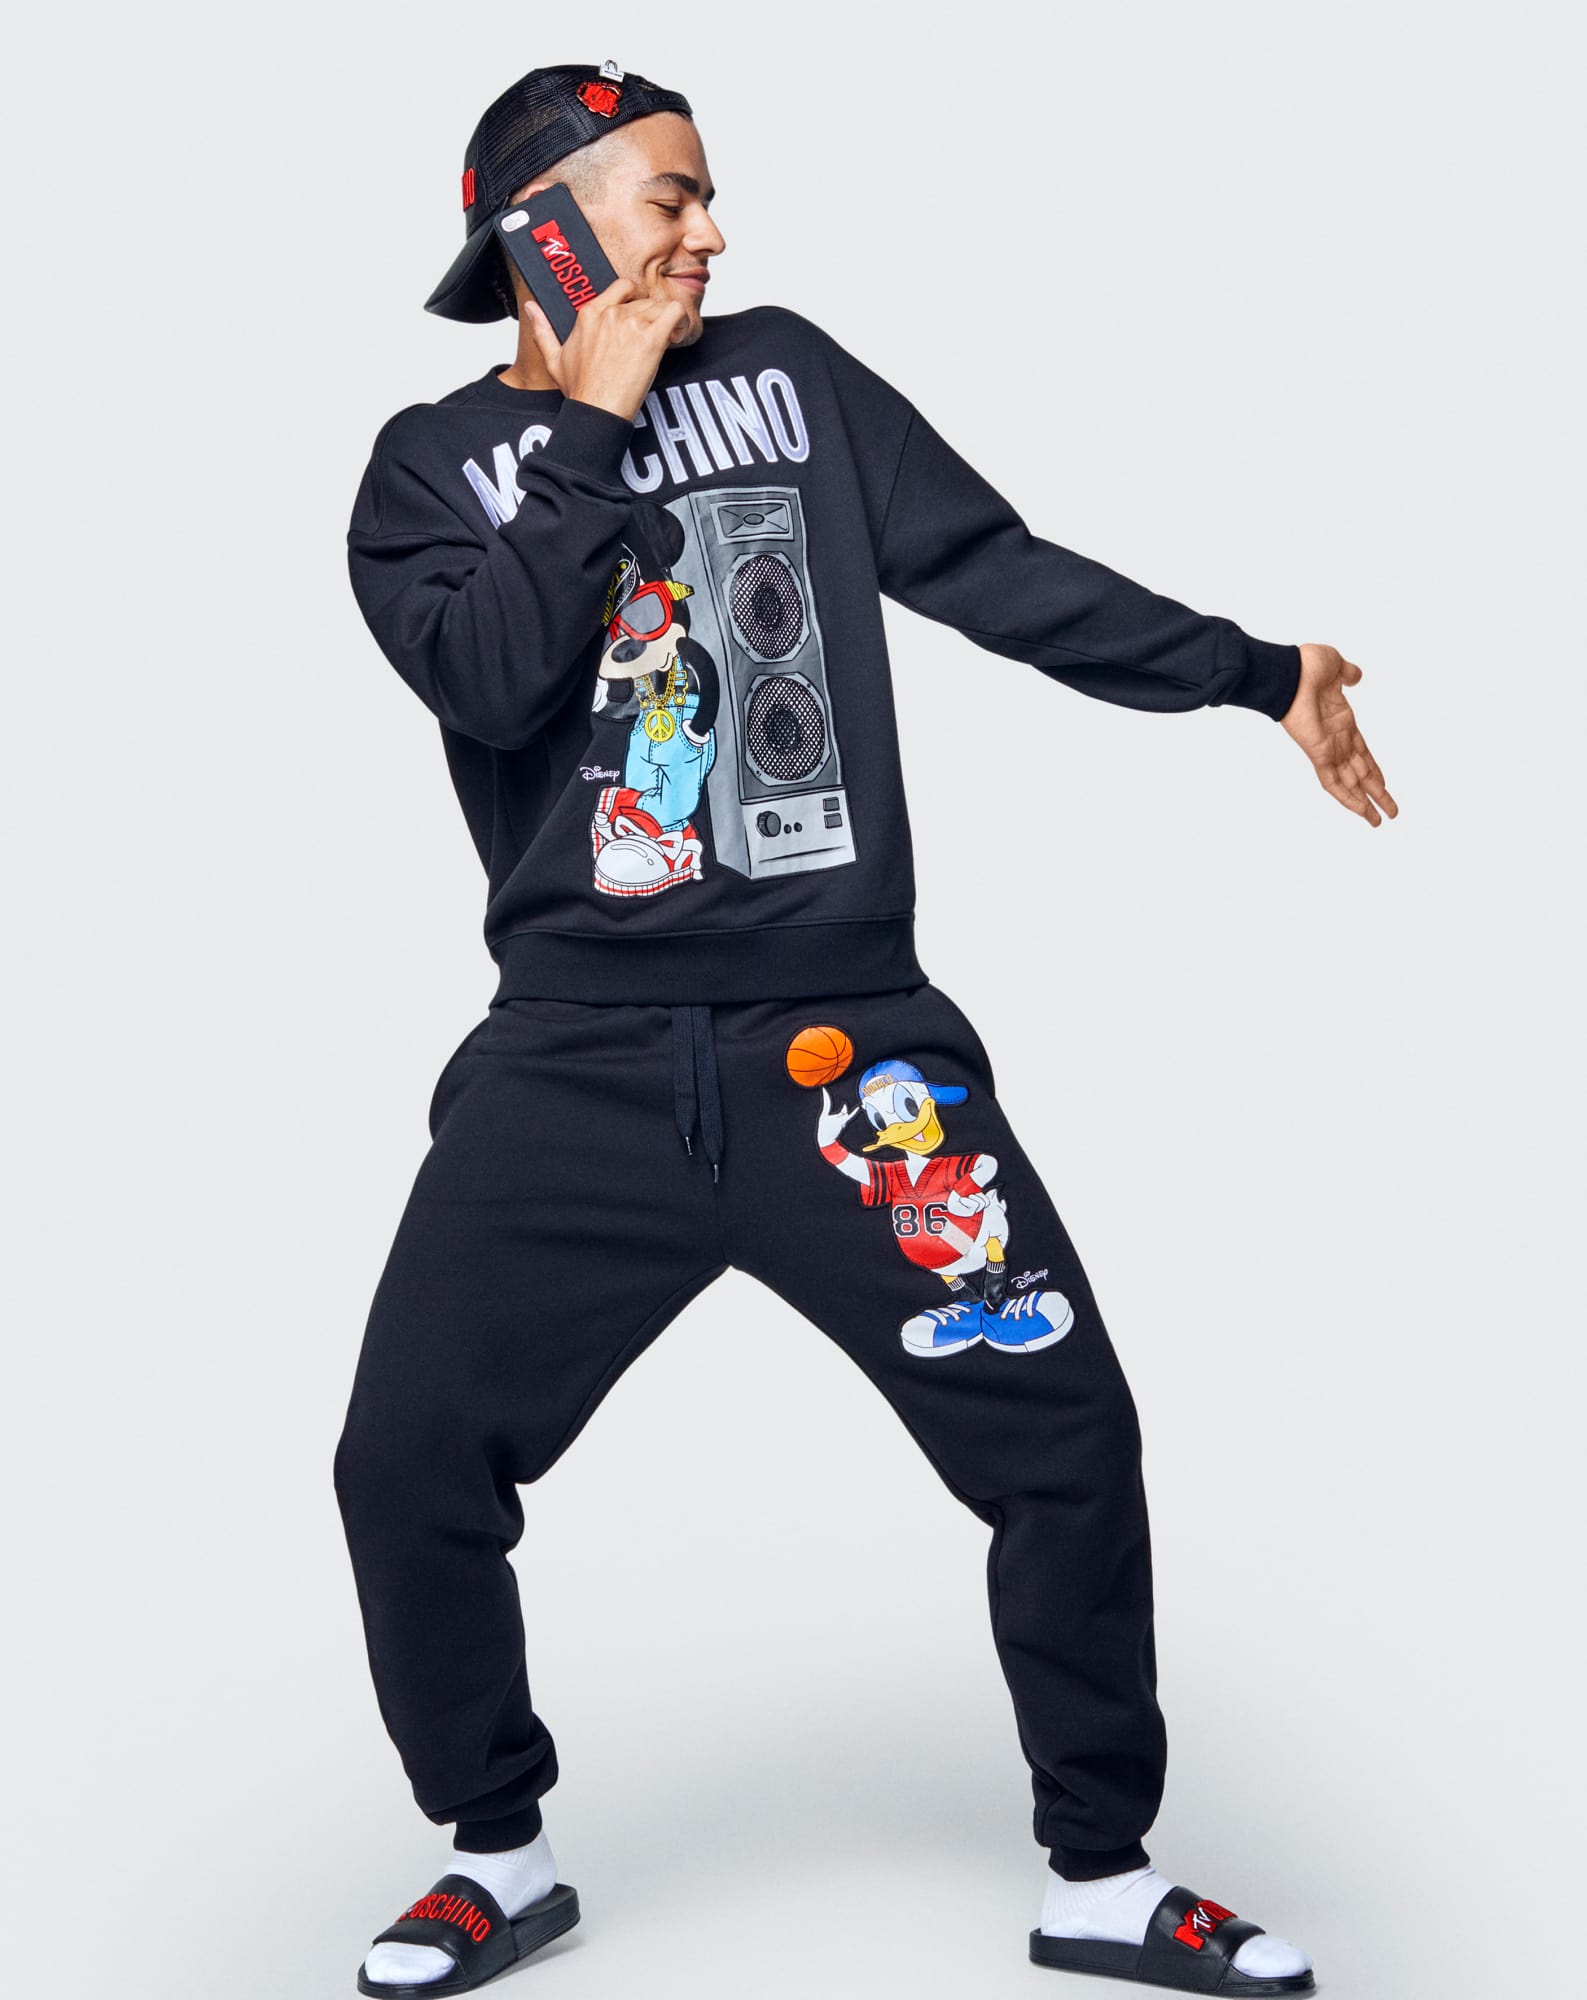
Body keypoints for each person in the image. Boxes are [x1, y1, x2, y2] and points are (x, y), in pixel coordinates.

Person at [335, 58, 1395, 1998]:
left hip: (851, 1053)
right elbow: (489, 683)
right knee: (402, 1461)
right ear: (541, 226)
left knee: (1065, 1435)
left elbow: (993, 569)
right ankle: (496, 1851)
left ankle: (1101, 1873)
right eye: (670, 198)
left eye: (706, 196)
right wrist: (591, 424)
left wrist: (1256, 677)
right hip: (571, 1063)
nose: (711, 232)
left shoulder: (792, 376)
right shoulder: (425, 472)